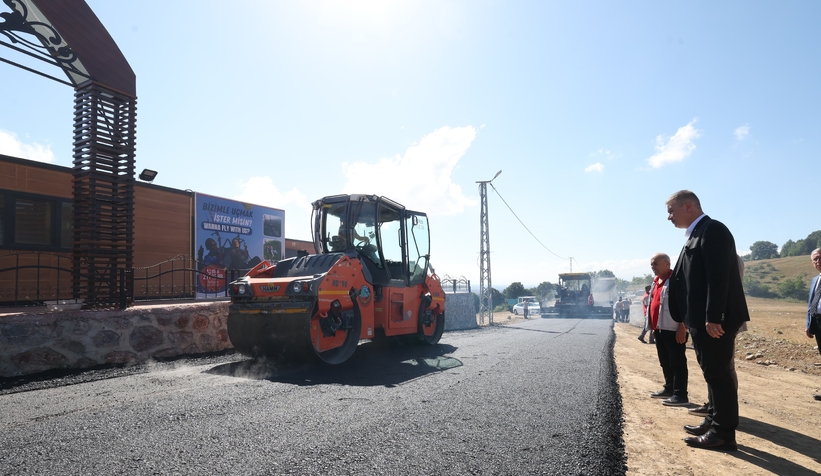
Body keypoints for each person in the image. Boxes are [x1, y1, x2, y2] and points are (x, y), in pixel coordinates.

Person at [666, 190, 750, 451]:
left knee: (719, 374)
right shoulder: (696, 233)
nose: (668, 217)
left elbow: (718, 277)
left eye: (671, 210)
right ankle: (713, 420)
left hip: (713, 321)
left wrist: (715, 316)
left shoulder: (712, 230)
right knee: (712, 373)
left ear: (688, 206)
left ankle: (723, 434)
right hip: (700, 320)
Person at [646, 253, 689, 407]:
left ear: (667, 264)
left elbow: (685, 304)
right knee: (665, 361)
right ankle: (669, 388)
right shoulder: (656, 282)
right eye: (652, 265)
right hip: (660, 328)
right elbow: (654, 305)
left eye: (655, 264)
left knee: (677, 362)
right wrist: (653, 327)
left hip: (674, 328)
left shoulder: (676, 280)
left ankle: (680, 394)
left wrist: (682, 326)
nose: (653, 267)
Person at [805, 248, 821, 401]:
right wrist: (808, 324)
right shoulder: (815, 280)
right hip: (817, 322)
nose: (818, 262)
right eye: (815, 259)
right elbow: (811, 304)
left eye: (820, 258)